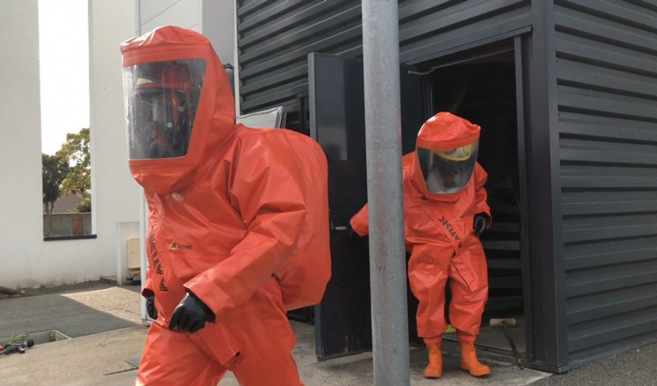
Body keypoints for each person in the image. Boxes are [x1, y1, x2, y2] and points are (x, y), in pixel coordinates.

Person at [121, 26, 331, 386]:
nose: (152, 119)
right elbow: (162, 232)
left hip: (246, 306)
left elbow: (276, 230)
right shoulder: (162, 164)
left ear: (189, 102)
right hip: (180, 309)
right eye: (145, 106)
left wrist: (208, 294)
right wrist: (156, 288)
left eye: (161, 103)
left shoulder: (248, 153)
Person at [351, 112, 491, 379]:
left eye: (458, 166)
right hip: (428, 245)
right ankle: (434, 354)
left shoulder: (469, 170)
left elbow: (479, 190)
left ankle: (468, 353)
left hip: (464, 242)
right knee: (429, 297)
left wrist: (482, 212)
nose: (453, 174)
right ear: (430, 159)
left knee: (473, 293)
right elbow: (379, 204)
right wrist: (357, 226)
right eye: (446, 167)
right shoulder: (404, 175)